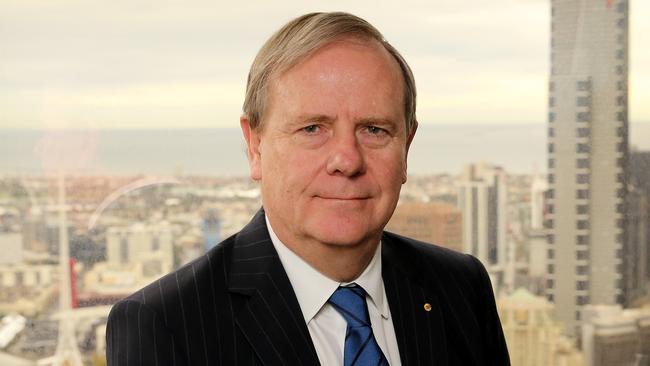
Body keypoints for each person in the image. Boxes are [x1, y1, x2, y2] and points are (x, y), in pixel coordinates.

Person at [106, 12, 510, 366]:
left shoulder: (460, 286)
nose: (347, 160)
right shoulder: (166, 324)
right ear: (255, 145)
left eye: (374, 129)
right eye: (312, 128)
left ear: (406, 145)